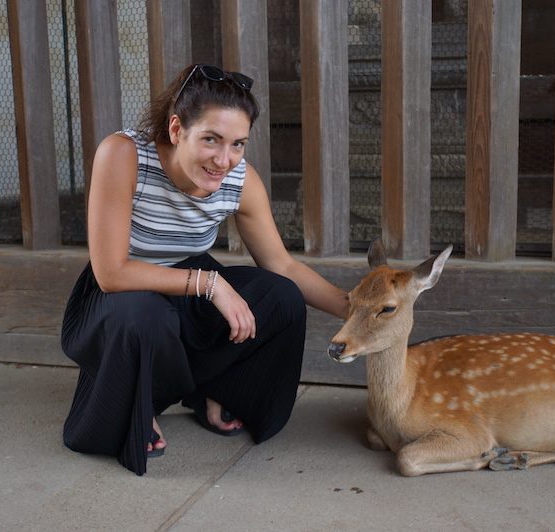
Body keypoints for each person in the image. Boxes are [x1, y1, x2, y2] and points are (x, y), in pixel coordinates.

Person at [60, 64, 349, 475]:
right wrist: (210, 284)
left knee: (281, 297)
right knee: (145, 316)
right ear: (177, 129)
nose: (223, 160)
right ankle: (138, 406)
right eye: (211, 139)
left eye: (237, 144)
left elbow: (282, 265)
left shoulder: (241, 180)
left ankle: (215, 390)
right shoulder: (124, 154)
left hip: (189, 288)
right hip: (121, 297)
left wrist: (359, 311)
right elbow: (111, 273)